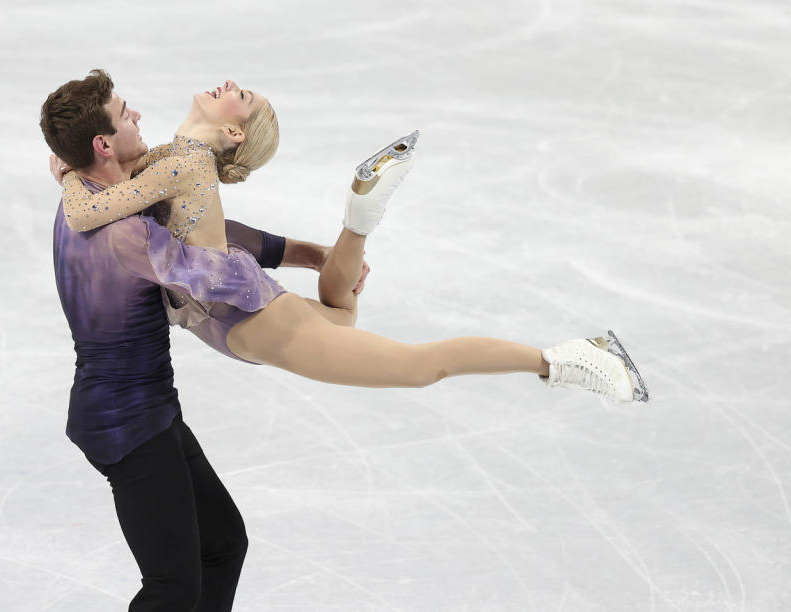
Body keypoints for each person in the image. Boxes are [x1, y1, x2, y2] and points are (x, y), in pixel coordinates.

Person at [52, 72, 649, 402]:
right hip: (233, 306)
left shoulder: (179, 164)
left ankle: (565, 360)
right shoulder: (172, 158)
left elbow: (87, 211)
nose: (231, 82)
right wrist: (68, 165)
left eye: (244, 97)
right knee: (343, 319)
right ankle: (356, 222)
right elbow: (107, 188)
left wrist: (66, 169)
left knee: (422, 368)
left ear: (232, 132)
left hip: (238, 315)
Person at [42, 73, 363, 611]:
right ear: (102, 143)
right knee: (171, 588)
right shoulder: (127, 231)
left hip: (149, 406)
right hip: (125, 420)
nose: (137, 117)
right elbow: (211, 268)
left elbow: (191, 221)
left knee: (222, 545)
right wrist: (291, 304)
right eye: (125, 114)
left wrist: (309, 253)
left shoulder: (104, 194)